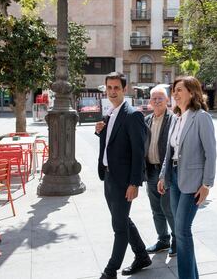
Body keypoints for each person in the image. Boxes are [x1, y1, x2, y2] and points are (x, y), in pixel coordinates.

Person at [158, 76, 217, 279]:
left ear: (192, 93)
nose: (175, 93)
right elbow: (169, 151)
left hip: (192, 180)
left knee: (182, 230)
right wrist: (162, 176)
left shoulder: (201, 117)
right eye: (174, 90)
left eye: (180, 90)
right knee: (179, 229)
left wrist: (207, 183)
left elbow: (211, 153)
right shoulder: (176, 118)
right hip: (174, 178)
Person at [95, 72, 151, 279]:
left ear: (124, 89)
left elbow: (138, 152)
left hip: (123, 181)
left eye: (116, 88)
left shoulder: (132, 114)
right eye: (109, 88)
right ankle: (142, 256)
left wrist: (134, 183)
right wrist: (100, 131)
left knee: (118, 226)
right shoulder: (110, 112)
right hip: (109, 177)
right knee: (122, 220)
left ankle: (110, 271)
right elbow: (112, 143)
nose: (112, 92)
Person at [144, 85, 176, 257]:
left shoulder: (173, 119)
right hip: (151, 171)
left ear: (167, 101)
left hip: (167, 172)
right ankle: (163, 240)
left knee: (168, 207)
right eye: (154, 98)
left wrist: (165, 174)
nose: (157, 101)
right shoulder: (146, 120)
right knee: (156, 208)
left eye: (160, 98)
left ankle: (177, 240)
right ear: (150, 101)